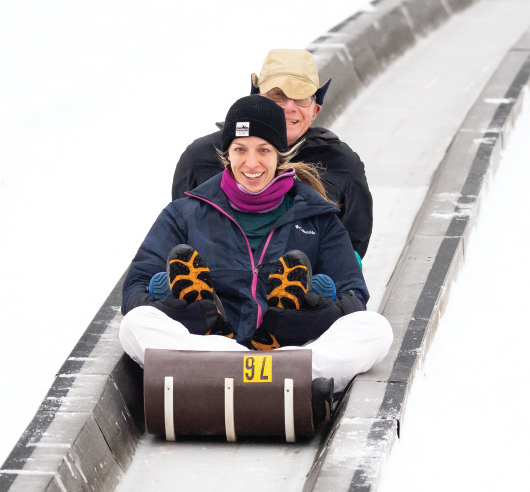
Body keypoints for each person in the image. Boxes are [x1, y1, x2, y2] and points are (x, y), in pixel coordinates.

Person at [121, 95, 392, 416]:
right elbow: (134, 290)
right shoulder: (185, 213)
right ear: (226, 154)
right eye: (240, 150)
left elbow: (354, 293)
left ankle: (227, 372)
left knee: (375, 329)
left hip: (288, 348)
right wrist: (171, 303)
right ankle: (256, 370)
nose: (251, 163)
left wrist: (317, 310)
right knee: (135, 324)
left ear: (280, 154)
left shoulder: (316, 217)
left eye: (263, 150)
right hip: (207, 343)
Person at [170, 49, 374, 258]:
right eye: (278, 95)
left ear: (315, 110)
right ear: (255, 99)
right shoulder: (201, 157)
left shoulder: (342, 165)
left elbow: (351, 253)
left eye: (301, 98)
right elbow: (177, 236)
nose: (289, 107)